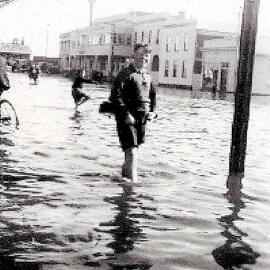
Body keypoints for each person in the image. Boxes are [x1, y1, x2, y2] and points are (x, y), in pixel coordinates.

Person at [109, 43, 157, 182]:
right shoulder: (124, 74)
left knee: (133, 150)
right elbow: (115, 96)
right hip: (126, 118)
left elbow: (153, 96)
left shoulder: (147, 76)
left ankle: (124, 178)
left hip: (142, 119)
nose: (144, 59)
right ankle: (132, 186)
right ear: (133, 56)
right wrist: (125, 114)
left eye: (147, 57)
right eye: (141, 56)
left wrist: (153, 112)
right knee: (132, 151)